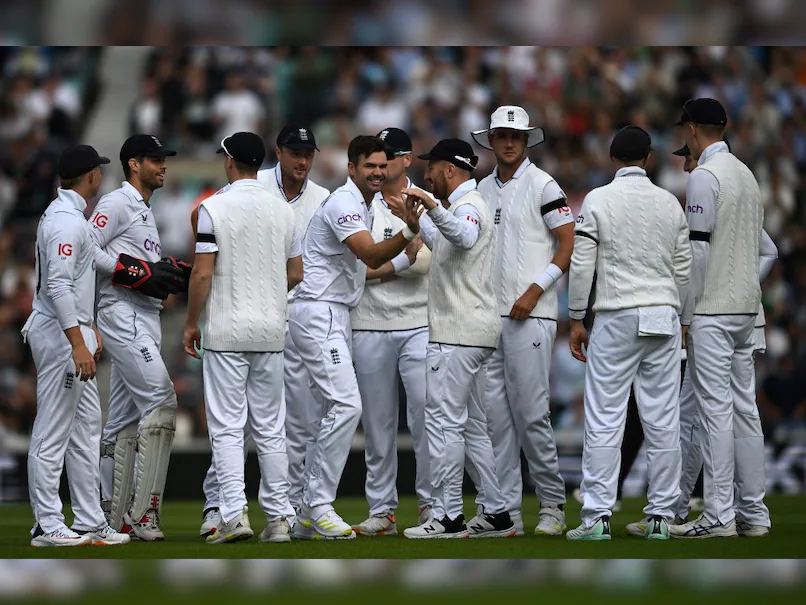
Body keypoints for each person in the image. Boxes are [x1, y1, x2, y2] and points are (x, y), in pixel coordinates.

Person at [288, 135, 423, 539]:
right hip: (318, 312)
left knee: (325, 414)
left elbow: (363, 270)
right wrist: (409, 232)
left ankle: (303, 513)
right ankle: (318, 506)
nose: (378, 173)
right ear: (352, 168)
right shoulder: (346, 203)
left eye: (383, 166)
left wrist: (401, 259)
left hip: (332, 313)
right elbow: (370, 255)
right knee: (346, 406)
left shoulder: (361, 204)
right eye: (370, 166)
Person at [198, 124, 329, 540]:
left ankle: (234, 514)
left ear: (230, 161)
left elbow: (202, 275)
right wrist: (268, 298)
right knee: (272, 429)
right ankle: (278, 519)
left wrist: (188, 323)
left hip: (225, 330)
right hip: (272, 331)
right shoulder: (283, 210)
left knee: (228, 427)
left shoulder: (213, 207)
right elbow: (296, 273)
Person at [566, 126, 692, 541]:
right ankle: (661, 516)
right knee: (662, 418)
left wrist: (576, 318)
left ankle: (597, 517)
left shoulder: (598, 199)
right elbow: (684, 269)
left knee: (604, 418)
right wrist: (685, 320)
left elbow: (583, 265)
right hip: (663, 314)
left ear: (611, 157)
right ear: (649, 158)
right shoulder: (670, 202)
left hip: (617, 314)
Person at [399, 138, 514, 540]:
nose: (427, 174)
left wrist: (430, 206)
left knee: (444, 423)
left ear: (450, 170)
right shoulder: (464, 207)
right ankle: (497, 512)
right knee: (472, 427)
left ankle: (448, 516)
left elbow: (462, 237)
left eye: (432, 167)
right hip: (472, 333)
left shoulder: (468, 206)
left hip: (457, 334)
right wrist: (418, 223)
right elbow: (446, 245)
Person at [668, 100, 770, 539]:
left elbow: (699, 251)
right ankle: (754, 514)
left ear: (692, 129)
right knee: (745, 410)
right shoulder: (746, 175)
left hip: (712, 310)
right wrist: (745, 281)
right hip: (747, 309)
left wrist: (687, 313)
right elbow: (770, 250)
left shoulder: (705, 177)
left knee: (715, 413)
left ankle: (718, 516)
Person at [22, 144, 130, 547]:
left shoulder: (70, 218)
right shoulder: (66, 222)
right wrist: (76, 341)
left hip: (71, 330)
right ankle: (47, 524)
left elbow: (92, 264)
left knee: (86, 430)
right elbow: (58, 284)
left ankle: (89, 520)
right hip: (59, 335)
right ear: (91, 176)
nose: (101, 176)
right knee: (53, 429)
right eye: (99, 171)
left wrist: (88, 325)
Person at [473, 105, 573, 536]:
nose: (509, 142)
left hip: (531, 315)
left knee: (532, 414)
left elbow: (567, 244)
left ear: (526, 140)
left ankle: (552, 505)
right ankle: (505, 510)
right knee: (497, 419)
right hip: (487, 318)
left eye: (516, 136)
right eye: (502, 135)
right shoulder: (480, 188)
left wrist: (535, 291)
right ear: (491, 140)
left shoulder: (543, 185)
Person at [90, 134, 189, 541]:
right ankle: (143, 512)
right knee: (163, 402)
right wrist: (140, 272)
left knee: (121, 424)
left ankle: (109, 516)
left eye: (164, 159)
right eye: (155, 159)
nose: (163, 165)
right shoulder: (116, 202)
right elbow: (84, 249)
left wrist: (164, 270)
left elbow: (137, 262)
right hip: (121, 312)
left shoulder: (146, 209)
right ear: (134, 164)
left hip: (143, 314)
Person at [351, 127, 432, 536]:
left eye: (392, 157)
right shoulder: (355, 204)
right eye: (377, 158)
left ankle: (432, 506)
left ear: (407, 160)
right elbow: (355, 274)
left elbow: (429, 264)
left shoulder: (424, 201)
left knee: (424, 417)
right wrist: (402, 258)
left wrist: (380, 268)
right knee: (378, 425)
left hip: (419, 323)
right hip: (367, 324)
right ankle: (382, 510)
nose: (383, 166)